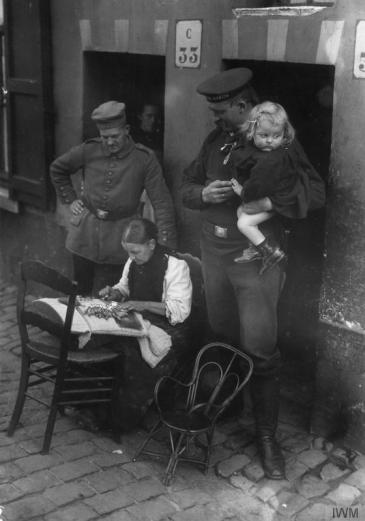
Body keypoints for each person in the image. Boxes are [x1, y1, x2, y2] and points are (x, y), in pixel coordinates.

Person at [180, 68, 325, 480]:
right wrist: (202, 194)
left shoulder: (279, 143)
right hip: (214, 254)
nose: (215, 118)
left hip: (252, 260)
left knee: (260, 349)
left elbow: (314, 195)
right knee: (223, 334)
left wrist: (265, 200)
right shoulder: (216, 141)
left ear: (243, 106)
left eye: (222, 111)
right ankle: (230, 407)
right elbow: (187, 184)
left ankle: (266, 438)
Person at [50, 100, 176, 295]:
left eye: (115, 136)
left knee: (112, 297)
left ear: (126, 129)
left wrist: (165, 243)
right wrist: (71, 199)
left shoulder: (144, 158)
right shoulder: (89, 150)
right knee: (79, 294)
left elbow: (162, 202)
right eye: (104, 137)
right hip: (84, 233)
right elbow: (58, 169)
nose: (109, 142)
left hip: (121, 239)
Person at [98, 217, 193, 433]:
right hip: (143, 321)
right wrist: (114, 293)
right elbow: (124, 288)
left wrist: (142, 305)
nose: (131, 257)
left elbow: (179, 311)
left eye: (135, 252)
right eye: (128, 252)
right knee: (106, 342)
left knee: (134, 356)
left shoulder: (176, 266)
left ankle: (120, 423)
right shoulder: (133, 261)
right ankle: (101, 407)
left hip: (172, 330)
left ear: (151, 244)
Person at [231, 101, 311, 273]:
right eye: (264, 135)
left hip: (279, 200)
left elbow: (257, 187)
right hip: (277, 197)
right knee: (240, 213)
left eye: (276, 136)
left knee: (244, 224)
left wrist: (242, 191)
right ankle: (256, 248)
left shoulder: (270, 160)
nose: (270, 141)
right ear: (252, 132)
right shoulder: (271, 153)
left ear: (284, 134)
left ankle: (271, 253)